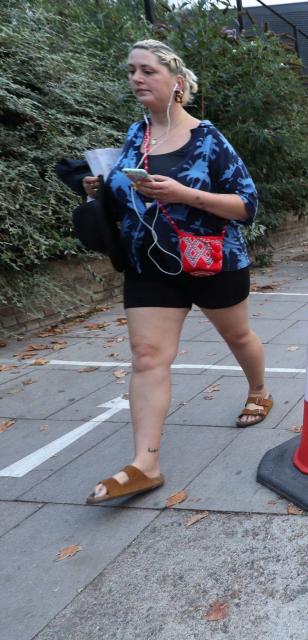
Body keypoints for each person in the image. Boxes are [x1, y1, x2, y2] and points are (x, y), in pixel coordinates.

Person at [82, 40, 267, 504]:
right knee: (147, 355)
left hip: (210, 259)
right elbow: (128, 195)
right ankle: (146, 463)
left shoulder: (209, 139)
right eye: (131, 71)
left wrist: (187, 195)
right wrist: (102, 187)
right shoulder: (135, 135)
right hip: (149, 262)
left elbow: (247, 205)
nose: (136, 79)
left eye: (147, 71)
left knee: (238, 337)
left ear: (176, 83)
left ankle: (260, 390)